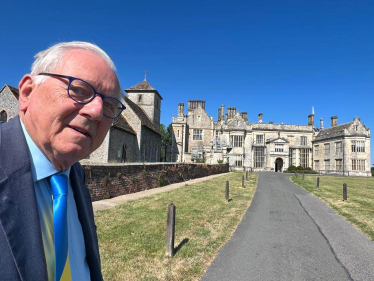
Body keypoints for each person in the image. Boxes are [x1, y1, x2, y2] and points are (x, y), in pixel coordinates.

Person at [0, 42, 125, 281]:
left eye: (109, 105)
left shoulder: (74, 175)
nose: (97, 111)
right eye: (78, 89)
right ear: (27, 92)